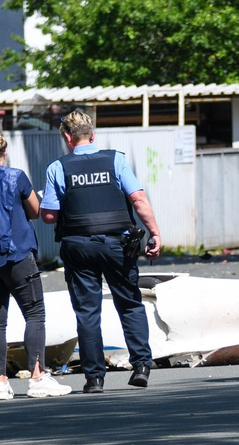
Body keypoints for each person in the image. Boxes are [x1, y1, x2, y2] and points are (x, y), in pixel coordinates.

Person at [39, 110, 162, 393]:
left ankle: (94, 378)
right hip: (118, 245)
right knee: (130, 302)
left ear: (68, 137)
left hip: (78, 246)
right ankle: (142, 365)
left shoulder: (58, 167)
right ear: (92, 135)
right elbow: (138, 198)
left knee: (87, 311)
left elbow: (48, 216)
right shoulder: (115, 159)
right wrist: (154, 232)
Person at [0, 130, 73, 400]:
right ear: (4, 151)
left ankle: (0, 383)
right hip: (17, 255)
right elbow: (36, 211)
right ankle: (38, 377)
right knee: (34, 314)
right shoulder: (15, 176)